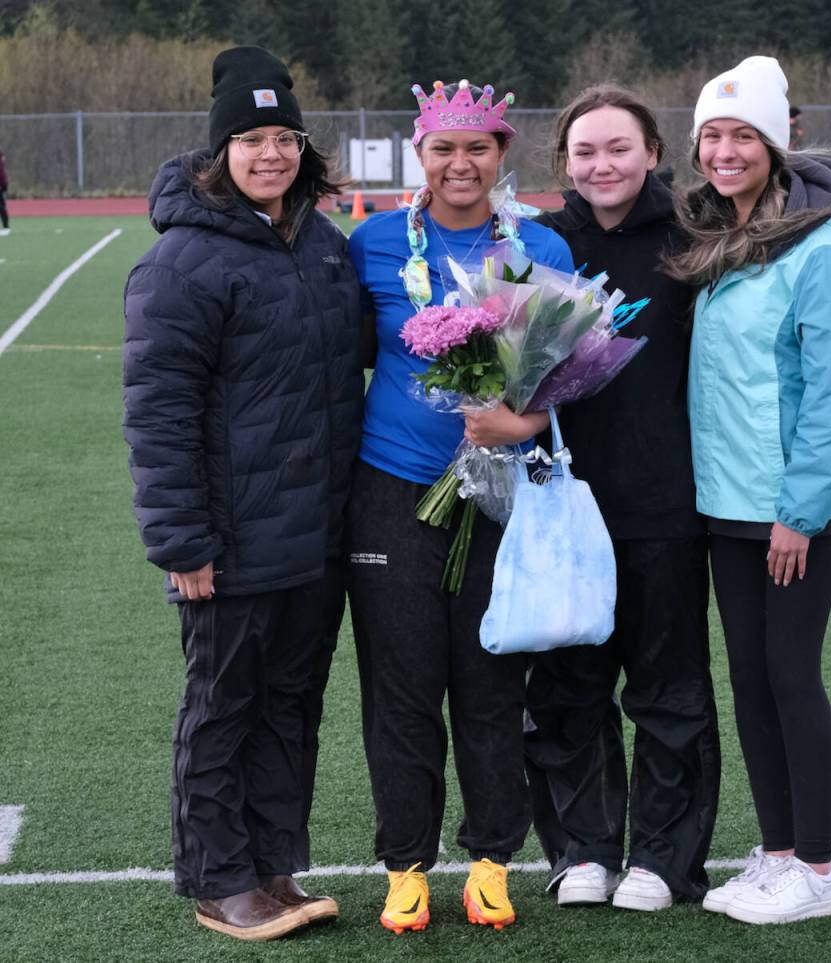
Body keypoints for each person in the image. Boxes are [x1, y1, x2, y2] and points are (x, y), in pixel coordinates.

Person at [123, 46, 364, 941]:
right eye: (252, 139)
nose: (272, 154)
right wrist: (183, 541)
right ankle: (218, 876)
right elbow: (158, 413)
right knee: (223, 707)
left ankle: (272, 865)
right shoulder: (183, 261)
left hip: (317, 536)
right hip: (230, 541)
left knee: (292, 705)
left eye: (285, 137)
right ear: (219, 150)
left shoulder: (322, 248)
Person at [344, 78, 573, 934]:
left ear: (501, 155)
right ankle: (406, 864)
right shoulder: (371, 242)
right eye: (444, 148)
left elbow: (563, 368)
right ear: (421, 156)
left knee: (489, 679)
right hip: (391, 486)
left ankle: (489, 859)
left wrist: (529, 417)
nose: (460, 163)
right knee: (400, 685)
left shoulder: (538, 242)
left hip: (502, 491)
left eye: (478, 147)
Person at [669, 55, 831, 924]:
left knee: (791, 675)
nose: (723, 150)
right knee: (749, 679)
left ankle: (818, 874)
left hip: (790, 511)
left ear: (778, 143)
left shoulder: (818, 247)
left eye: (740, 134)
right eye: (711, 135)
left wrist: (800, 511)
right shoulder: (724, 243)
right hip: (728, 506)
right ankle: (780, 851)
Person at [523, 85, 720, 912]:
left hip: (663, 503)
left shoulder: (697, 237)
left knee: (668, 688)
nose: (602, 164)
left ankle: (666, 860)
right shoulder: (536, 243)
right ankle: (583, 848)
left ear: (653, 153)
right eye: (585, 151)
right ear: (563, 162)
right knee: (567, 684)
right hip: (559, 507)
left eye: (619, 148)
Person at [0, 149, 9, 235]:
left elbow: (2, 175)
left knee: (1, 206)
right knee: (2, 206)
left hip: (1, 184)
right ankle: (6, 228)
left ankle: (6, 228)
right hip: (3, 184)